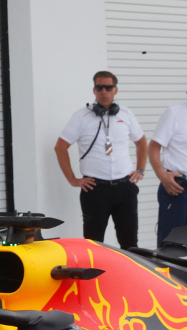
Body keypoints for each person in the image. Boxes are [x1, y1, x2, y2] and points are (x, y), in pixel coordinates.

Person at [54, 71, 147, 250]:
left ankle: (128, 277)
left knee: (130, 243)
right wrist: (73, 180)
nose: (104, 91)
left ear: (115, 90)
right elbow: (60, 147)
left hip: (124, 187)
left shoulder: (126, 114)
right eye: (99, 87)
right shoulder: (81, 116)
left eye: (108, 87)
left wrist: (140, 169)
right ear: (94, 90)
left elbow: (141, 142)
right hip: (95, 190)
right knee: (94, 244)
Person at [148, 100, 187, 245]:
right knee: (171, 246)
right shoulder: (174, 113)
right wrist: (162, 175)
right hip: (179, 189)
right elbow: (153, 147)